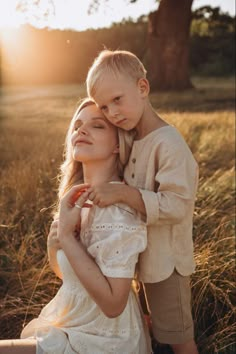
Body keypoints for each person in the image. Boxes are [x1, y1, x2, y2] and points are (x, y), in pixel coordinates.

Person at [0, 98, 151, 354]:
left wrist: (69, 239)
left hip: (104, 340)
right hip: (73, 324)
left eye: (97, 126)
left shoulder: (118, 208)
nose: (81, 130)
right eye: (77, 125)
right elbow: (75, 277)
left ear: (118, 144)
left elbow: (114, 304)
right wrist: (54, 248)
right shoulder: (77, 200)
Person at [81, 50, 199, 354]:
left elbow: (177, 205)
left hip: (167, 265)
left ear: (143, 88)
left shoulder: (168, 143)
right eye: (105, 107)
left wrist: (122, 194)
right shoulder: (133, 138)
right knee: (154, 328)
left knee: (178, 337)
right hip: (143, 261)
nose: (112, 112)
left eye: (117, 100)